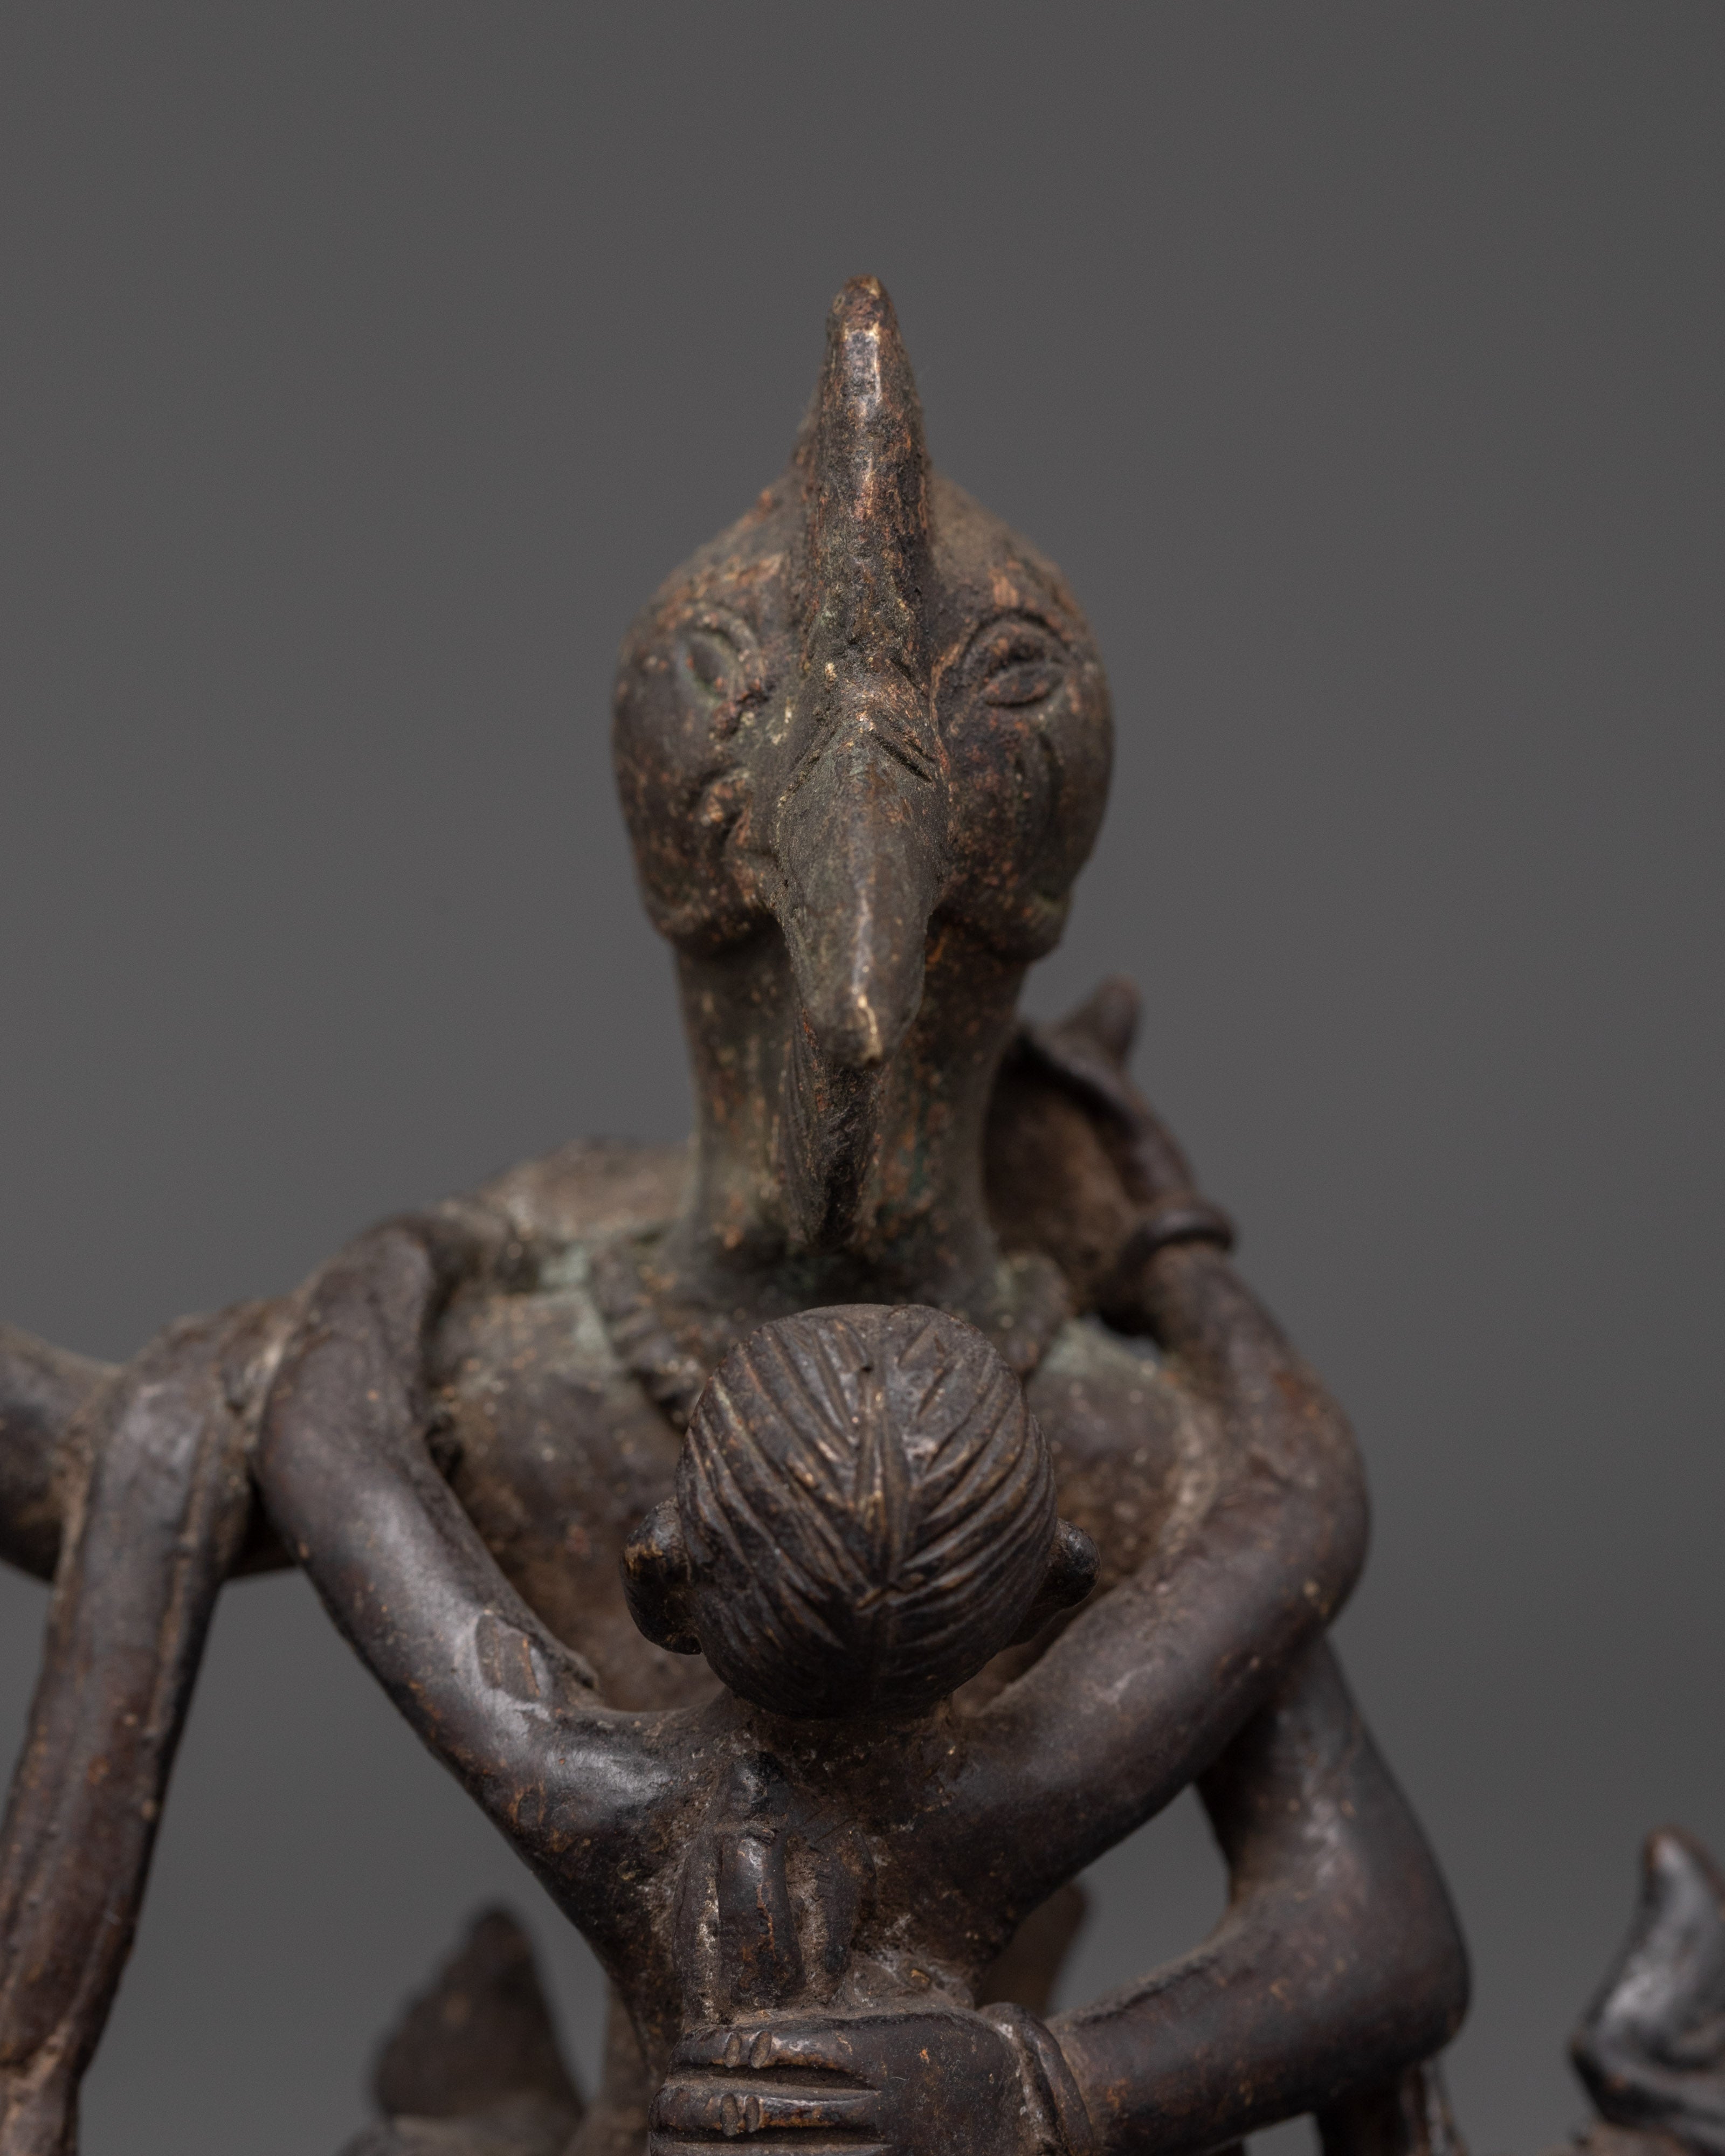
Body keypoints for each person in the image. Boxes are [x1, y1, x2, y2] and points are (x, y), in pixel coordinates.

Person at [3, 276, 1466, 2153]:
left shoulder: (534, 1421)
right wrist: (1173, 1240)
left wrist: (405, 1261)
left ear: (663, 1565)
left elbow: (298, 1442)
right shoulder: (1122, 1463)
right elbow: (1321, 1640)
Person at [257, 1298, 1463, 2156]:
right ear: (1051, 1590)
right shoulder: (1030, 1783)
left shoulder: (593, 1795)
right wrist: (1038, 2093)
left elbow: (328, 1441)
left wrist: (419, 1249)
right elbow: (1300, 1499)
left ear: (663, 1579)